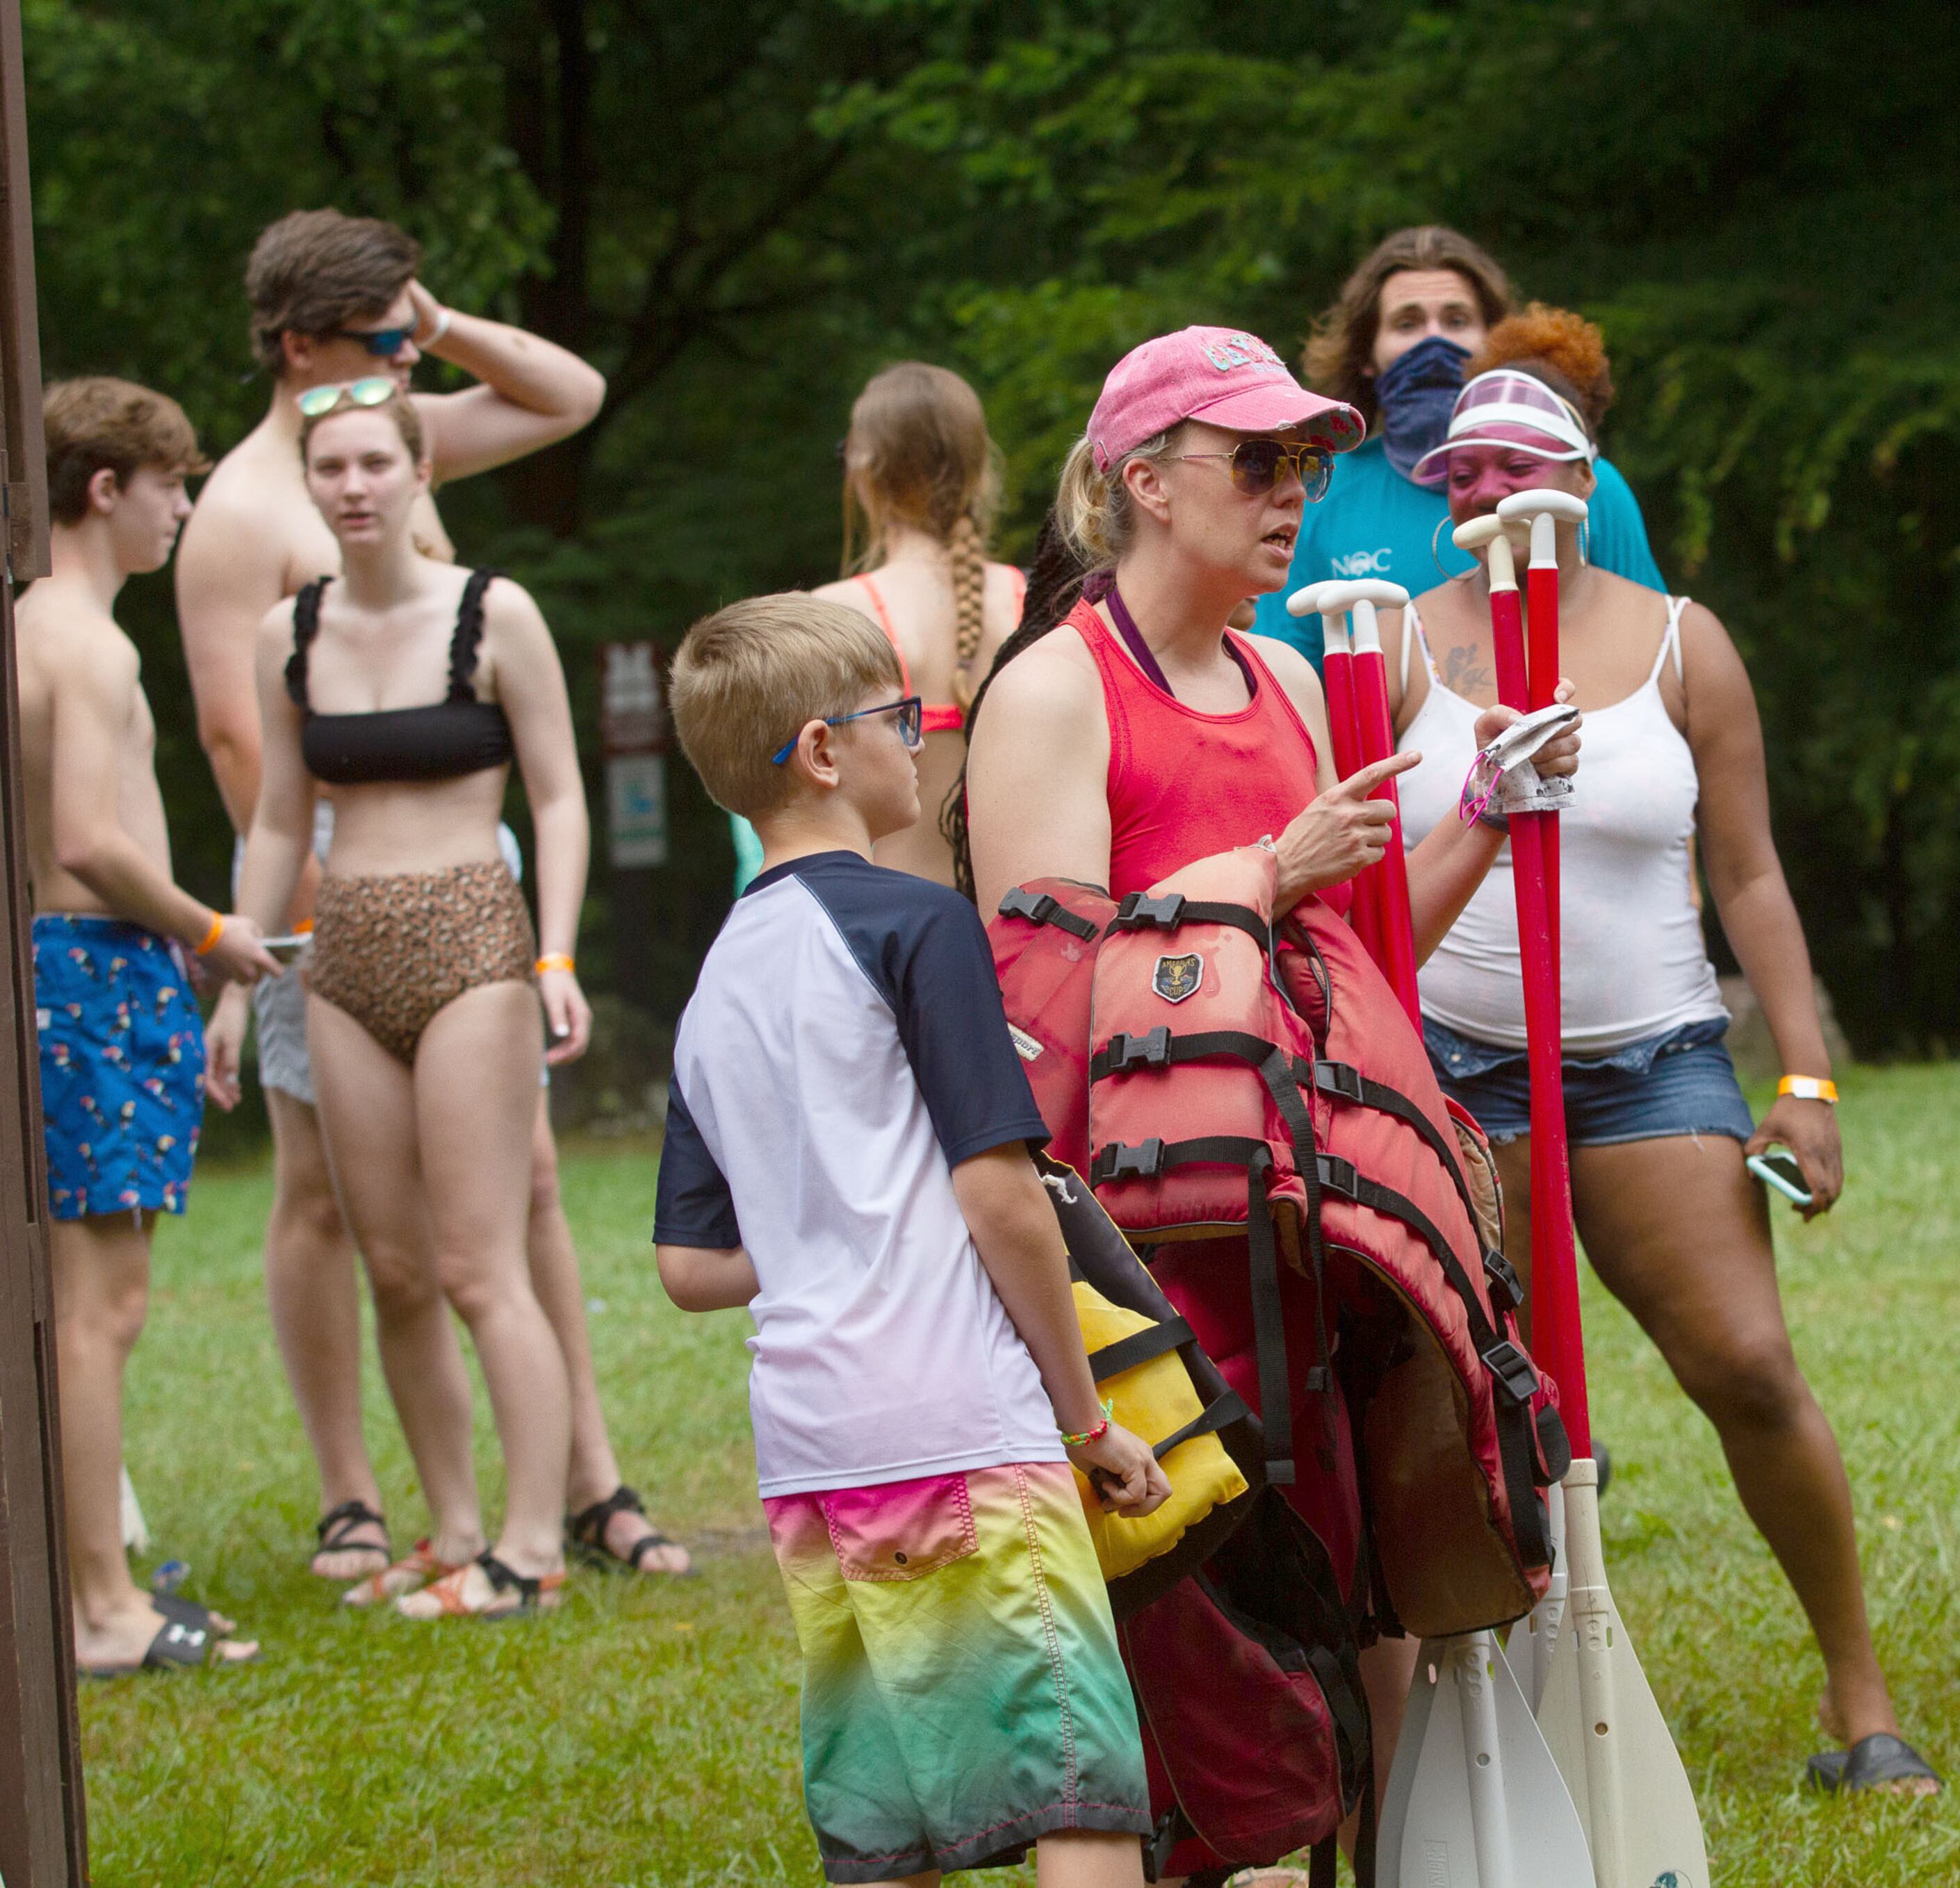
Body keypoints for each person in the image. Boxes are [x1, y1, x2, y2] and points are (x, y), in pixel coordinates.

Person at [965, 325, 1576, 1881]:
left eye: (1303, 460)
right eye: (1258, 460)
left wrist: (1485, 821)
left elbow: (1363, 954)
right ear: (1146, 479)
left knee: (1374, 1567)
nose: (1296, 489)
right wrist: (1257, 873)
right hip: (1162, 1245)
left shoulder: (1289, 674)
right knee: (1210, 1598)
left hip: (1338, 1213)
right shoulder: (1051, 692)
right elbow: (1044, 1017)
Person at [1382, 309, 1936, 1796]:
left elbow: (1750, 875)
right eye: (1459, 473)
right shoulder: (1395, 652)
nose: (1480, 495)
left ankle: (1860, 1690)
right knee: (1482, 1404)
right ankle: (1488, 1712)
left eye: (1514, 468)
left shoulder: (1685, 641)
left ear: (1580, 480)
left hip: (1650, 1060)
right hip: (1461, 1065)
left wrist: (1805, 1077)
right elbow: (1362, 882)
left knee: (1750, 1362)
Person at [178, 208, 684, 1584]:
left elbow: (566, 395)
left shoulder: (387, 433)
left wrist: (433, 325)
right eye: (374, 334)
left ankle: (578, 1487)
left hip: (480, 889)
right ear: (299, 348)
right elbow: (247, 754)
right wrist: (288, 939)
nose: (400, 359)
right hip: (329, 910)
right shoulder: (244, 519)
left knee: (509, 1205)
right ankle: (369, 1498)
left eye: (406, 338)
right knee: (340, 1210)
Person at [658, 592, 1166, 1887]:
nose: (922, 742)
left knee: (888, 1824)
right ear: (826, 750)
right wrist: (1084, 1420)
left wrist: (834, 1213)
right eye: (905, 719)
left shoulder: (715, 979)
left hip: (816, 1448)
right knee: (1081, 1787)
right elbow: (1000, 1196)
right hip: (960, 1414)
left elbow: (692, 1267)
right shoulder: (914, 921)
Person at [227, 381, 589, 1620]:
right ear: (312, 485)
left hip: (473, 937)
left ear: (417, 471)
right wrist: (237, 970)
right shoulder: (290, 629)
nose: (355, 485)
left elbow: (559, 796)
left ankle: (535, 1547)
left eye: (377, 461)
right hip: (345, 950)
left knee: (479, 1262)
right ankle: (454, 1529)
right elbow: (279, 819)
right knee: (393, 1268)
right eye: (331, 467)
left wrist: (556, 956)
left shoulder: (496, 612)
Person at [17, 378, 277, 1674]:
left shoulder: (25, 627)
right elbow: (85, 841)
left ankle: (96, 1586)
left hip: (58, 972)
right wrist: (215, 931)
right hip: (95, 971)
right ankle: (102, 1609)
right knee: (95, 1313)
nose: (185, 506)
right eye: (172, 483)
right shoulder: (93, 642)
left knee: (77, 1307)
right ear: (106, 487)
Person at [1246, 225, 1663, 660]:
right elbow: (1287, 679)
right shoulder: (1318, 495)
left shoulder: (1581, 484)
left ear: (1494, 342)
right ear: (1367, 355)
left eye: (1456, 320)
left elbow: (1654, 653)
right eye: (1407, 323)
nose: (1433, 341)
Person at [728, 361, 1027, 891]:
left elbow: (775, 828)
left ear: (864, 467)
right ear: (980, 468)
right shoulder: (1037, 604)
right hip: (1025, 949)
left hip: (890, 952)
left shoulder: (837, 616)